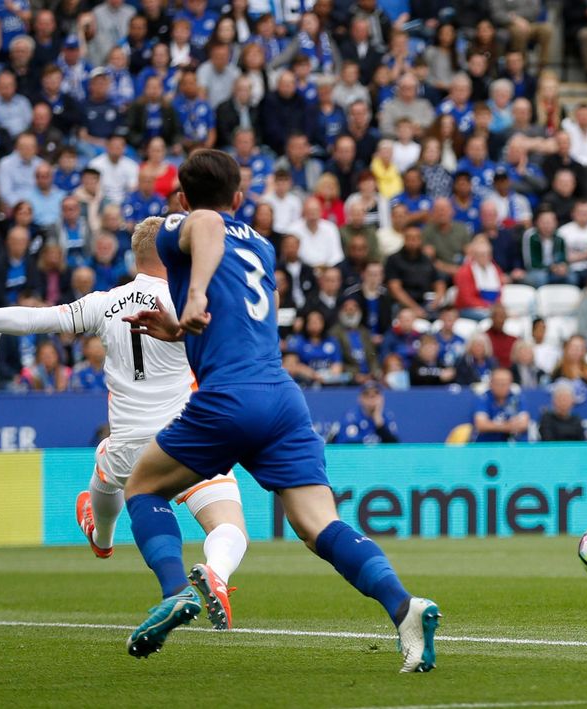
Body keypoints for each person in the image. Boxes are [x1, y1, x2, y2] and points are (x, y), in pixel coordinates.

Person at [115, 151, 439, 670]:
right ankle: (404, 608)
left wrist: (192, 295)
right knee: (317, 525)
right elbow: (233, 308)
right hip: (282, 398)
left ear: (180, 198)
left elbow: (205, 226)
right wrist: (178, 327)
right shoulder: (263, 246)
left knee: (143, 487)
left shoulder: (186, 223)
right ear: (241, 198)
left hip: (228, 397)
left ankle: (176, 590)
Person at [0, 217, 251, 627]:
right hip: (190, 435)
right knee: (229, 525)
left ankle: (102, 537)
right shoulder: (193, 300)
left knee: (109, 461)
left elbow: (36, 319)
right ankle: (217, 572)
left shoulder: (104, 302)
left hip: (131, 444)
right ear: (170, 253)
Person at [472, 367, 531, 442]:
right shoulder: (483, 398)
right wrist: (508, 426)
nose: (502, 386)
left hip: (513, 446)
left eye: (505, 383)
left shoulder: (517, 398)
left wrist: (493, 425)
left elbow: (524, 424)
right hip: (488, 445)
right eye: (498, 383)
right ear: (491, 383)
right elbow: (481, 425)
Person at [332, 382, 400, 444]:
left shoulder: (386, 416)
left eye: (374, 396)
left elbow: (394, 444)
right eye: (367, 396)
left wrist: (379, 424)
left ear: (382, 398)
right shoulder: (351, 418)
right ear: (360, 399)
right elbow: (351, 446)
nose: (371, 400)